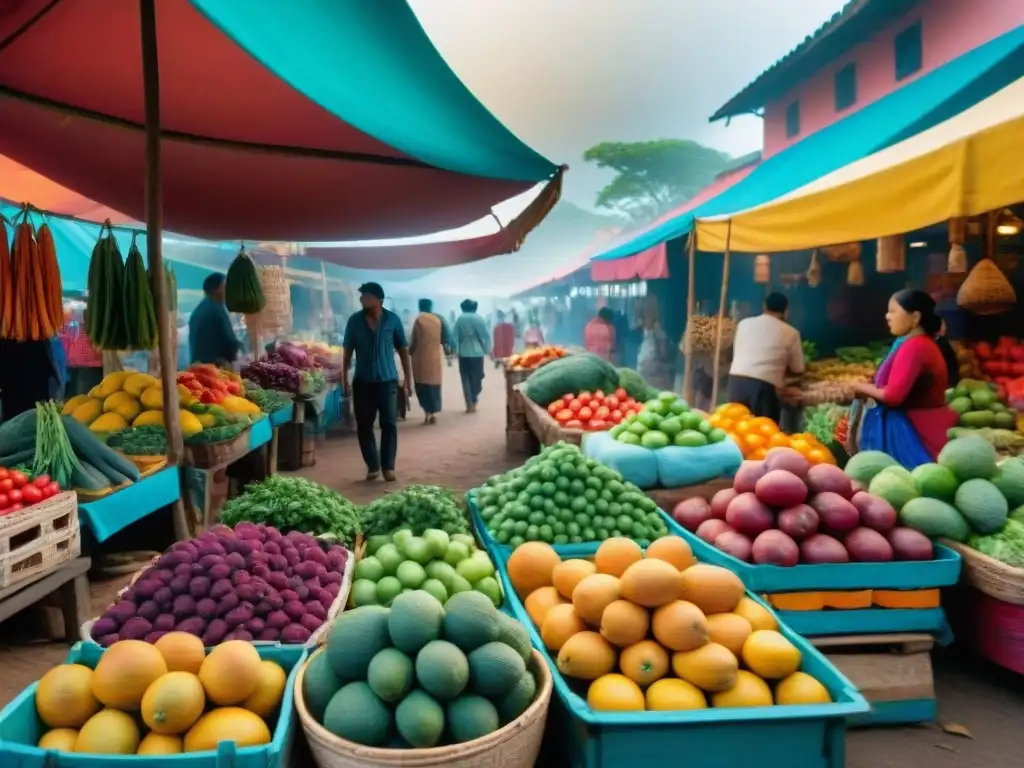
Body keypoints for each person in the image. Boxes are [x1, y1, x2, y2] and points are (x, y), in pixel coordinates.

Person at [851, 289, 957, 465]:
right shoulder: (922, 344)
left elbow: (893, 396)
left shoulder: (915, 347)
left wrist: (858, 386)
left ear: (915, 317)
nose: (887, 316)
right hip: (926, 426)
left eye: (893, 311)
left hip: (913, 434)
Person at [341, 282, 413, 482]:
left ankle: (388, 466)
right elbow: (347, 352)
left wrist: (408, 380)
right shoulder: (354, 321)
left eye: (367, 296)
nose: (363, 300)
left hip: (388, 381)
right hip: (362, 382)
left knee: (389, 423)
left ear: (379, 299)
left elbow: (404, 351)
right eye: (362, 297)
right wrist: (343, 377)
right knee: (364, 425)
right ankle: (373, 465)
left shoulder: (392, 320)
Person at [727, 292, 804, 421]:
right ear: (786, 310)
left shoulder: (743, 324)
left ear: (764, 306)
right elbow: (798, 369)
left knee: (736, 427)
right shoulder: (791, 333)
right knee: (763, 432)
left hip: (735, 383)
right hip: (763, 388)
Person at [188, 273, 242, 366]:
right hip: (214, 369)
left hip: (197, 366)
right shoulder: (217, 309)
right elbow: (229, 342)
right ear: (217, 289)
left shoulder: (198, 309)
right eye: (225, 286)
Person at [409, 298, 446, 425]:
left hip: (420, 360)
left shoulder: (418, 320)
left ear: (420, 307)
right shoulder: (437, 320)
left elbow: (413, 341)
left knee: (423, 386)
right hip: (435, 358)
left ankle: (427, 413)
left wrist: (409, 352)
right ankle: (433, 412)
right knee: (434, 386)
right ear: (430, 307)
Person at [453, 299, 490, 413]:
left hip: (463, 352)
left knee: (465, 378)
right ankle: (474, 398)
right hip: (477, 352)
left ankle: (469, 403)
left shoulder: (459, 319)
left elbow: (454, 336)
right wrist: (487, 350)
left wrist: (456, 350)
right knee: (477, 377)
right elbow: (486, 336)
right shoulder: (479, 319)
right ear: (474, 308)